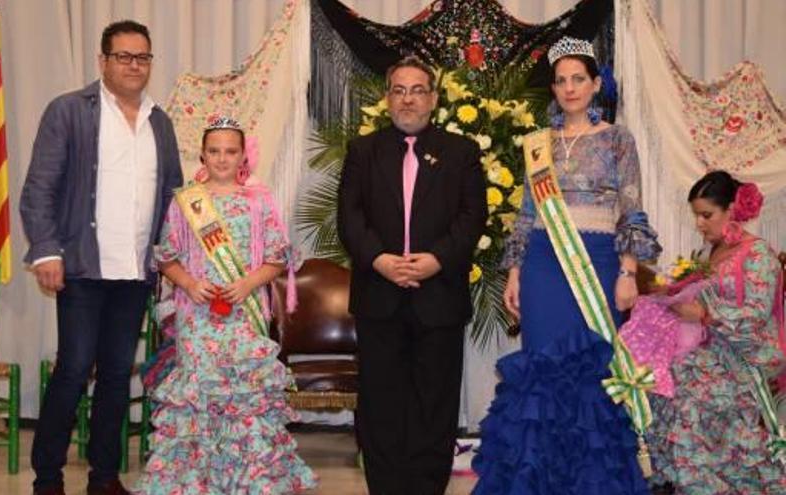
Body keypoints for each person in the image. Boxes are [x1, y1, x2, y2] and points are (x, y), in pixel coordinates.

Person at [471, 36, 660, 494]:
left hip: (596, 265)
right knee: (541, 371)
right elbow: (526, 214)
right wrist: (515, 273)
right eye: (561, 81)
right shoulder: (538, 144)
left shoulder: (618, 139)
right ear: (553, 89)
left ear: (597, 84)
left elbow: (631, 210)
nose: (570, 88)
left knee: (592, 371)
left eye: (579, 79)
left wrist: (629, 271)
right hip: (541, 266)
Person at [20, 20, 183, 495]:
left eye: (143, 57)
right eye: (124, 57)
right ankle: (47, 479)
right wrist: (47, 250)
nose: (134, 66)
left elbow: (173, 196)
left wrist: (172, 263)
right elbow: (38, 190)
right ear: (103, 61)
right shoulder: (70, 111)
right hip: (82, 269)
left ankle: (104, 477)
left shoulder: (160, 121)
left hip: (135, 272)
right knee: (73, 370)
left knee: (116, 376)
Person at [132, 117, 317, 494]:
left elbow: (278, 257)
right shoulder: (187, 202)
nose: (221, 158)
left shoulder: (259, 200)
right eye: (213, 151)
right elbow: (166, 257)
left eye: (230, 151)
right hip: (197, 318)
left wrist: (248, 283)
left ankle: (249, 482)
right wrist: (189, 283)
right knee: (199, 397)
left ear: (242, 155)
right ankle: (195, 482)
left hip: (244, 316)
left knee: (244, 395)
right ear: (202, 153)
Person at [337, 55, 487, 495]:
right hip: (378, 296)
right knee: (381, 404)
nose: (407, 99)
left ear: (434, 99)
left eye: (417, 90)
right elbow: (350, 217)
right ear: (387, 98)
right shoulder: (362, 151)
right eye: (399, 90)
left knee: (434, 404)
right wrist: (380, 260)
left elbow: (472, 215)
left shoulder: (461, 152)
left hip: (438, 296)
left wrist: (438, 258)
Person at [643, 170, 786, 494]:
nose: (700, 224)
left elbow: (754, 317)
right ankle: (683, 479)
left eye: (706, 215)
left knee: (690, 400)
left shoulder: (758, 254)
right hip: (714, 351)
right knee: (662, 383)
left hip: (751, 355)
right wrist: (669, 294)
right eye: (696, 216)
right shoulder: (712, 254)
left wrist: (705, 315)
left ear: (732, 209)